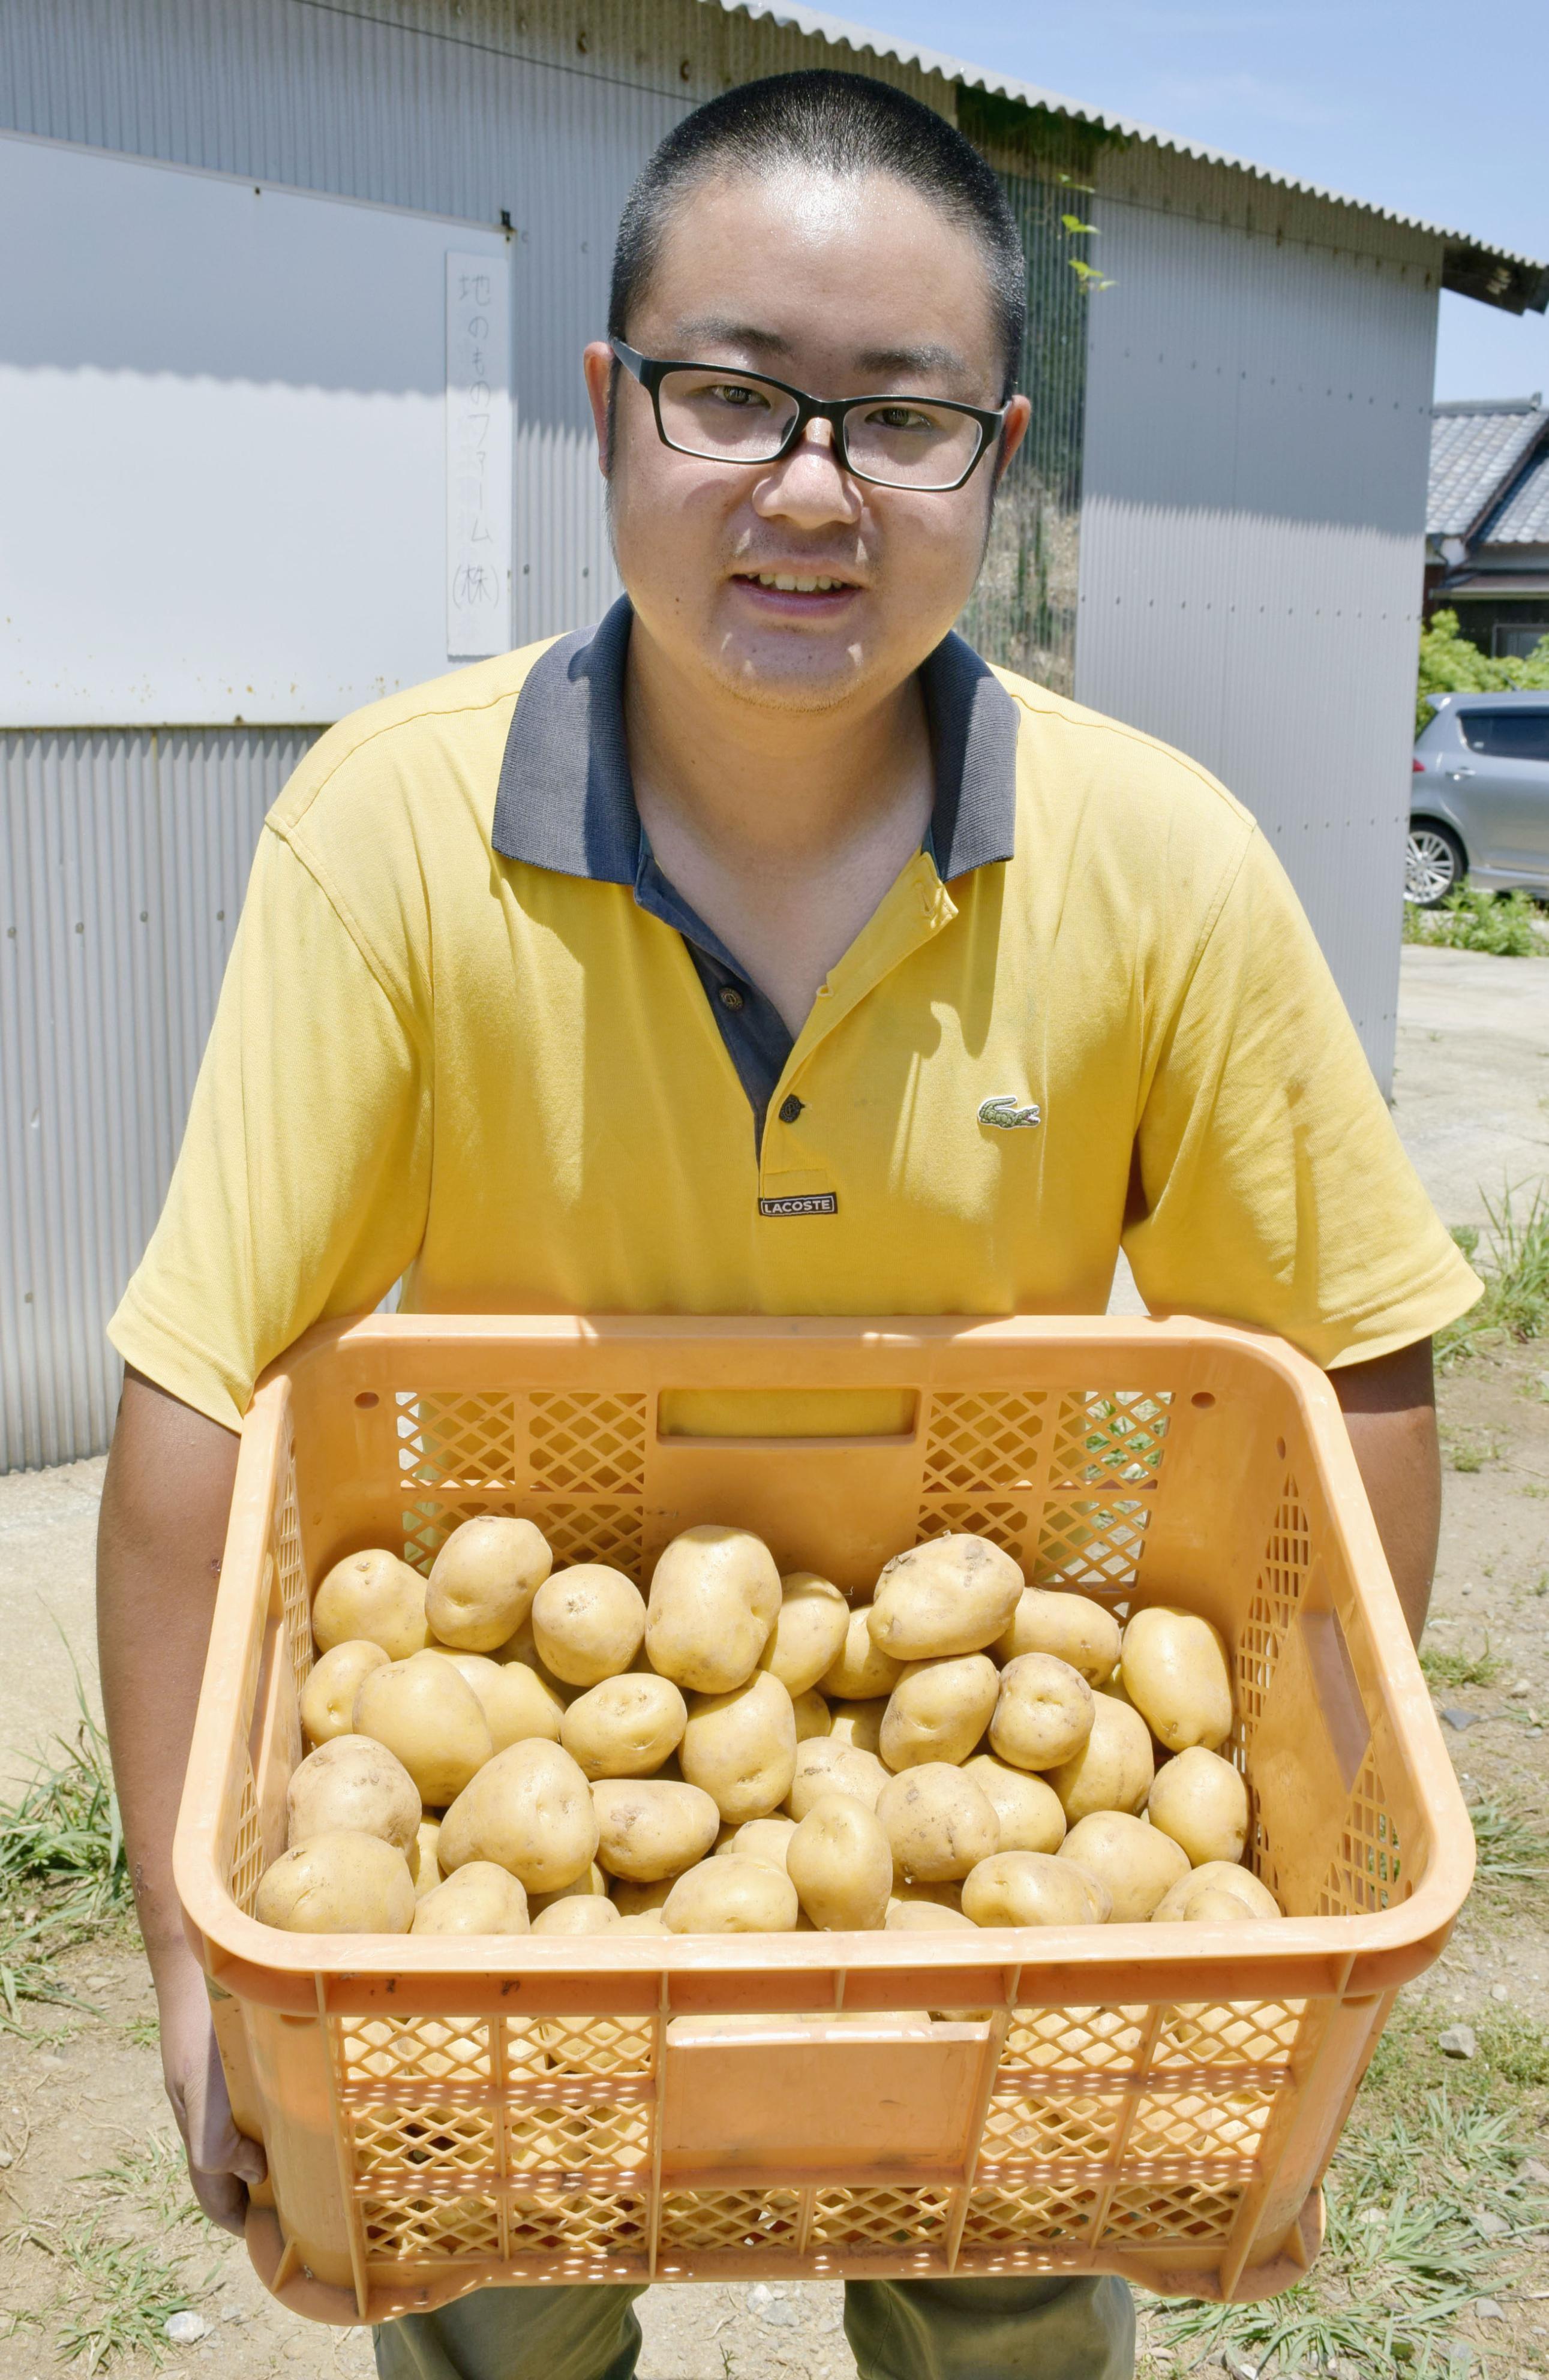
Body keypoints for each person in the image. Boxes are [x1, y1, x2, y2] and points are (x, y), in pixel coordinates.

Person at [97, 67, 1477, 2380]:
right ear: (609, 410)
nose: (810, 491)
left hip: (994, 1791)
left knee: (1015, 2284)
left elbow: (1352, 1378)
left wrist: (1284, 1928)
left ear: (997, 460)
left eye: (899, 419)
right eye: (732, 396)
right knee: (490, 2291)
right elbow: (205, 1382)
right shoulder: (393, 832)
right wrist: (187, 1954)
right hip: (503, 1827)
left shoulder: (1160, 860)